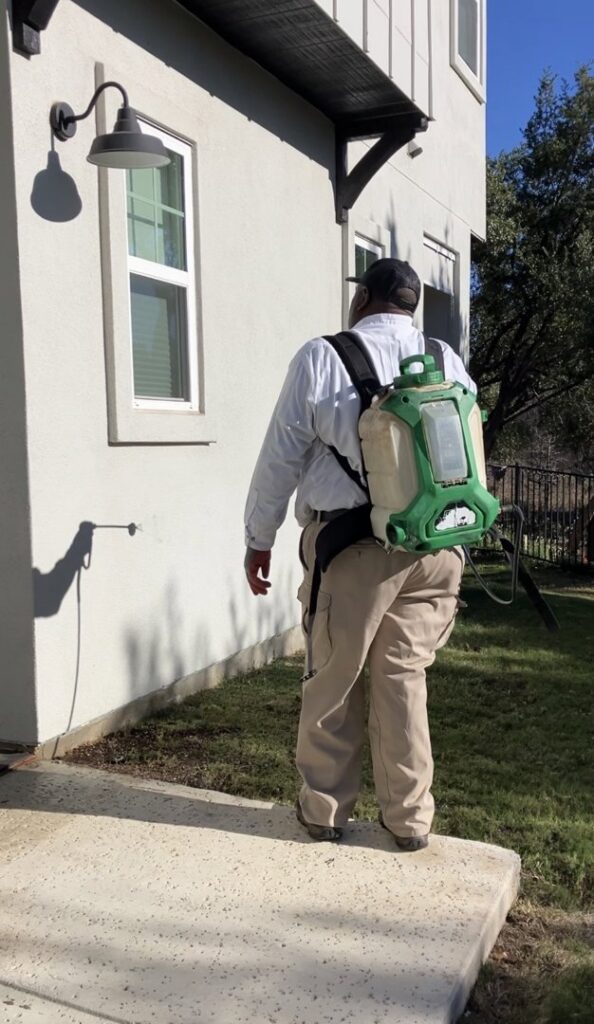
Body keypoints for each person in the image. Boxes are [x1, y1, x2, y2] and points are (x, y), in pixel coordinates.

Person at [244, 258, 474, 850]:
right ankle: (410, 820)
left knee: (334, 679)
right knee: (403, 680)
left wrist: (258, 537)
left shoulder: (324, 357)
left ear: (363, 299)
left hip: (353, 551)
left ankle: (324, 812)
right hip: (435, 546)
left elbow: (280, 457)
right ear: (412, 306)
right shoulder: (446, 360)